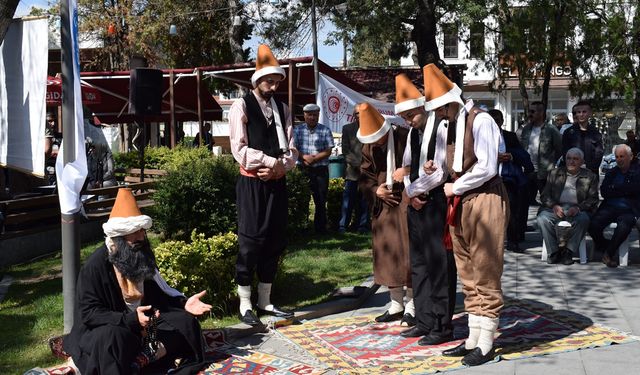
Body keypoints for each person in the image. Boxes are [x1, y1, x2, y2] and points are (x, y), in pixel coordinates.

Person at [417, 64, 508, 366]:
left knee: (486, 270)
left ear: (451, 101)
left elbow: (487, 166)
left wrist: (456, 185)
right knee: (467, 273)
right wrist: (435, 169)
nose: (439, 115)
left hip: (484, 199)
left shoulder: (481, 121)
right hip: (459, 201)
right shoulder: (448, 126)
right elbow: (447, 165)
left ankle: (486, 342)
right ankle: (472, 337)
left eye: (441, 109)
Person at [63, 188, 211, 374]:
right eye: (135, 232)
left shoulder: (140, 255)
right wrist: (130, 320)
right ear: (119, 238)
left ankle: (141, 361)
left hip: (144, 326)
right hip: (112, 328)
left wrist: (184, 303)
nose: (141, 237)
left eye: (142, 231)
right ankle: (141, 358)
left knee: (184, 322)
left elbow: (159, 294)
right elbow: (90, 313)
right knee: (113, 339)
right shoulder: (95, 266)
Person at [228, 44, 298, 325]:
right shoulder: (240, 106)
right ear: (257, 80)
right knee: (250, 242)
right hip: (252, 185)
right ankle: (245, 304)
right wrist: (270, 163)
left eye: (277, 82)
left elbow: (292, 148)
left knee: (274, 240)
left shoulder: (283, 108)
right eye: (269, 81)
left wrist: (282, 168)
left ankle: (265, 301)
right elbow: (239, 149)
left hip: (277, 184)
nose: (273, 86)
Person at [390, 73, 455, 343]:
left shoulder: (439, 127)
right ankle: (424, 319)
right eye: (404, 117)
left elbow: (440, 170)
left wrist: (412, 190)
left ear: (422, 107)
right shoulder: (412, 134)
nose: (408, 120)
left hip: (435, 203)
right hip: (416, 203)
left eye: (411, 115)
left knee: (438, 263)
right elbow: (407, 166)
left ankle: (442, 324)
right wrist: (410, 189)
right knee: (418, 263)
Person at [357, 102, 414, 328]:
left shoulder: (404, 136)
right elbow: (364, 176)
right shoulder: (368, 147)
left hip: (406, 201)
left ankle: (412, 306)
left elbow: (422, 162)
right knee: (387, 255)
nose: (377, 143)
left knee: (408, 254)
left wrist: (406, 170)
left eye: (379, 138)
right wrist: (375, 190)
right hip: (383, 206)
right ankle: (396, 304)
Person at [536, 148, 599, 265]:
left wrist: (578, 208)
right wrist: (554, 206)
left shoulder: (590, 176)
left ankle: (568, 252)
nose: (571, 162)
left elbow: (593, 199)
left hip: (577, 209)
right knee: (542, 219)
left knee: (583, 219)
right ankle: (554, 251)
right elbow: (544, 196)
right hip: (556, 208)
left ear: (582, 161)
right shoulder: (554, 173)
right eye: (569, 158)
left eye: (575, 159)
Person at [489, 109, 533, 253]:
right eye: (492, 120)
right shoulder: (481, 136)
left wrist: (511, 155)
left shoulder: (510, 136)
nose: (495, 123)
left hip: (508, 179)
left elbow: (523, 156)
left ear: (502, 121)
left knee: (512, 211)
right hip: (488, 180)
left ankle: (513, 241)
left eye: (498, 120)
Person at [588, 144, 640, 268]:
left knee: (624, 226)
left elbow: (636, 189)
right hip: (609, 207)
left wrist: (615, 188)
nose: (619, 159)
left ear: (631, 157)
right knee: (592, 224)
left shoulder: (637, 171)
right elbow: (605, 192)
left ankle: (608, 255)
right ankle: (606, 245)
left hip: (629, 208)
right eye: (617, 157)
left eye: (622, 156)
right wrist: (625, 190)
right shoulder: (612, 172)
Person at [293, 103, 334, 234]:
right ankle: (302, 227)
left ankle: (320, 228)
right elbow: (294, 148)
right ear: (304, 115)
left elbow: (328, 151)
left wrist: (314, 159)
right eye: (309, 115)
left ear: (318, 115)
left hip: (320, 170)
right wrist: (304, 157)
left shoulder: (325, 130)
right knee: (302, 199)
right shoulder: (297, 130)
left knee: (320, 200)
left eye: (315, 115)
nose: (312, 117)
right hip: (303, 170)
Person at [518, 101, 562, 205]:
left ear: (541, 113)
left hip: (545, 172)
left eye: (533, 111)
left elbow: (559, 149)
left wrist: (550, 163)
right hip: (528, 170)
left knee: (547, 202)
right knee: (527, 203)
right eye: (529, 111)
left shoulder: (551, 130)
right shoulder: (526, 129)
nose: (530, 114)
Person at [338, 107, 369, 233]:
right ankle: (342, 226)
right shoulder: (347, 128)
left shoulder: (372, 128)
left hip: (368, 172)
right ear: (354, 115)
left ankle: (363, 226)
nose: (359, 115)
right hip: (352, 171)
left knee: (365, 201)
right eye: (357, 113)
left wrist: (366, 167)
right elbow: (345, 151)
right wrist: (358, 165)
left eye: (361, 113)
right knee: (348, 200)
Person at [562, 100, 603, 175]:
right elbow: (565, 153)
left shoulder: (595, 133)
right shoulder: (568, 133)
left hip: (591, 173)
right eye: (578, 112)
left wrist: (588, 167)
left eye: (584, 112)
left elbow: (599, 153)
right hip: (573, 173)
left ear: (590, 113)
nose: (581, 114)